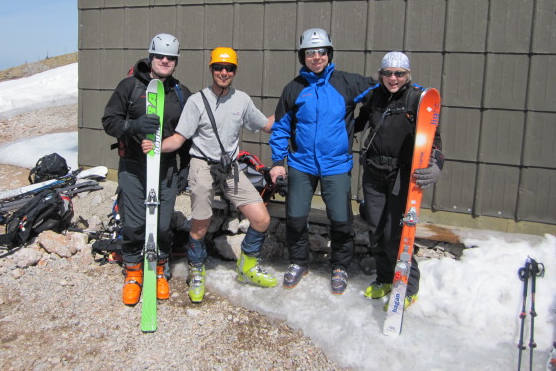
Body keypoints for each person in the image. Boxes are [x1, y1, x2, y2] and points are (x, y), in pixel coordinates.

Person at [142, 47, 277, 303]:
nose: (224, 73)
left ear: (235, 71)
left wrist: (293, 110)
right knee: (200, 225)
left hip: (230, 167)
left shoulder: (242, 100)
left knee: (261, 219)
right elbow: (179, 138)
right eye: (218, 68)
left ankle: (247, 265)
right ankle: (196, 268)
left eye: (229, 68)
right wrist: (156, 147)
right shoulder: (196, 101)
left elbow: (267, 125)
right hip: (202, 164)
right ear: (211, 69)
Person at [268, 28, 376, 294]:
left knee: (341, 220)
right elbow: (281, 126)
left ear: (329, 54)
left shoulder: (346, 83)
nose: (316, 57)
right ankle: (298, 261)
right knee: (295, 217)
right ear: (302, 56)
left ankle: (339, 266)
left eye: (321, 52)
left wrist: (359, 122)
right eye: (310, 53)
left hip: (336, 165)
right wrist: (277, 161)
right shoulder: (294, 89)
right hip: (301, 164)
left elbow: (380, 88)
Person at [102, 33, 192, 306]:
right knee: (135, 222)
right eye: (160, 56)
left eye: (171, 57)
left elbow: (186, 133)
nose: (165, 61)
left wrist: (185, 166)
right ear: (151, 57)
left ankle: (159, 269)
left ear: (176, 61)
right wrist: (132, 127)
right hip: (133, 165)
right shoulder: (130, 86)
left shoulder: (180, 93)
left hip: (165, 169)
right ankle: (133, 271)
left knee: (162, 224)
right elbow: (109, 120)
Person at [354, 51, 443, 310]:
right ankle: (384, 277)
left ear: (407, 75)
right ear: (380, 74)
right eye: (388, 73)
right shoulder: (374, 96)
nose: (393, 78)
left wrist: (436, 164)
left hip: (401, 175)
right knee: (375, 229)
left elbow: (434, 139)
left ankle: (408, 286)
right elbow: (358, 122)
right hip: (373, 172)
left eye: (399, 73)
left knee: (398, 234)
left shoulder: (417, 99)